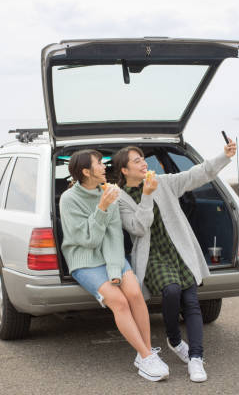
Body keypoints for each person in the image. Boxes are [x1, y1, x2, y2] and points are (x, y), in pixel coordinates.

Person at [113, 139, 237, 383]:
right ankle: (174, 338)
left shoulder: (163, 182)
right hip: (152, 255)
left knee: (191, 301)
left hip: (179, 248)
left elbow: (196, 175)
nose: (143, 164)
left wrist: (224, 156)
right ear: (124, 170)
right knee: (171, 291)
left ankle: (196, 359)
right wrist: (146, 197)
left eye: (142, 159)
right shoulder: (120, 199)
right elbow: (138, 227)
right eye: (136, 161)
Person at [59, 149, 169, 382]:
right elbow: (88, 241)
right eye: (99, 164)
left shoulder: (110, 192)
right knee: (118, 301)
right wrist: (101, 208)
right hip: (85, 260)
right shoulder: (69, 200)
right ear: (86, 172)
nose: (104, 167)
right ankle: (146, 355)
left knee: (134, 293)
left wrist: (114, 269)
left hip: (113, 256)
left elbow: (114, 238)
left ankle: (146, 354)